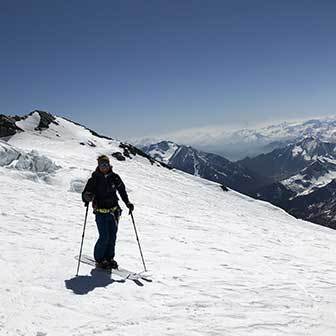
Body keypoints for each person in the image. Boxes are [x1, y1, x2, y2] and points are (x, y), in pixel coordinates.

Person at [82, 155, 134, 269]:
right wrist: (87, 197)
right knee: (104, 236)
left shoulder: (115, 177)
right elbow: (85, 194)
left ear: (109, 165)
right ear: (98, 166)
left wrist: (127, 203)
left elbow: (122, 191)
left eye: (106, 164)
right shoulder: (94, 180)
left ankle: (109, 258)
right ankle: (100, 259)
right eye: (102, 165)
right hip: (100, 212)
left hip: (114, 212)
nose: (104, 167)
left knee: (112, 236)